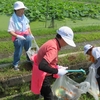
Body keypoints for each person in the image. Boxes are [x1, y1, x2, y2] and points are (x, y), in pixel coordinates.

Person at [30, 26, 76, 100]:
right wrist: (57, 71)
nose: (67, 44)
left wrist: (57, 66)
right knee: (49, 97)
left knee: (45, 92)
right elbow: (42, 66)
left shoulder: (52, 42)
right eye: (67, 41)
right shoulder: (53, 48)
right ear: (61, 38)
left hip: (40, 72)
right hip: (43, 74)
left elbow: (47, 59)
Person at [7, 1, 34, 70]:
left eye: (23, 9)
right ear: (17, 10)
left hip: (26, 35)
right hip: (18, 37)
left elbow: (28, 27)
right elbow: (10, 31)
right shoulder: (12, 19)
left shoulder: (24, 17)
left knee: (29, 49)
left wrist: (31, 34)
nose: (23, 11)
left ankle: (30, 61)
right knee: (18, 51)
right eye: (21, 9)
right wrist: (18, 36)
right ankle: (15, 64)